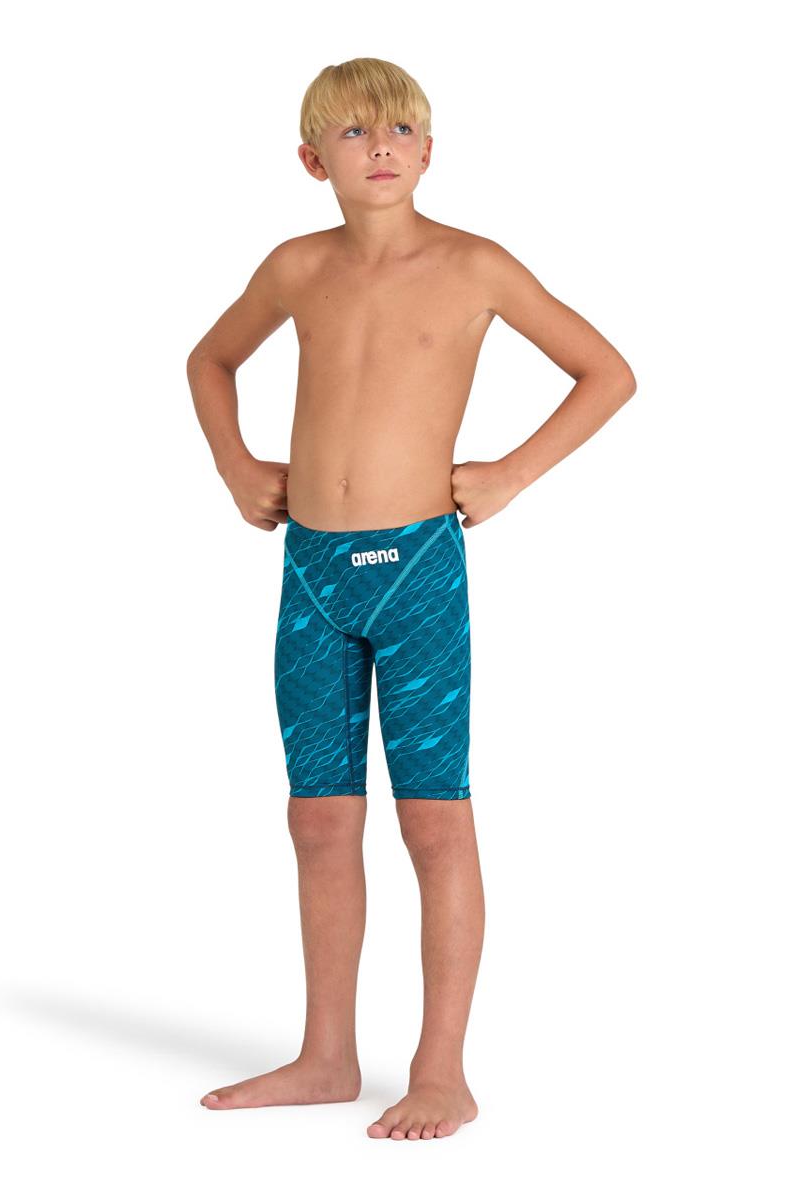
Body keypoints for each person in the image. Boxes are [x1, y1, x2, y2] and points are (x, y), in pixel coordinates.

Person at [186, 56, 636, 1141]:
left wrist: (509, 474)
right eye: (351, 132)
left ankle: (441, 1071)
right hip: (311, 573)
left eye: (396, 129)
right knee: (318, 818)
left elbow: (607, 372)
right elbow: (209, 360)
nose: (378, 146)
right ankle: (325, 1057)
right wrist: (236, 467)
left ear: (428, 151)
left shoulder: (474, 265)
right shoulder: (296, 267)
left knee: (433, 822)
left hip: (417, 572)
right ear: (312, 161)